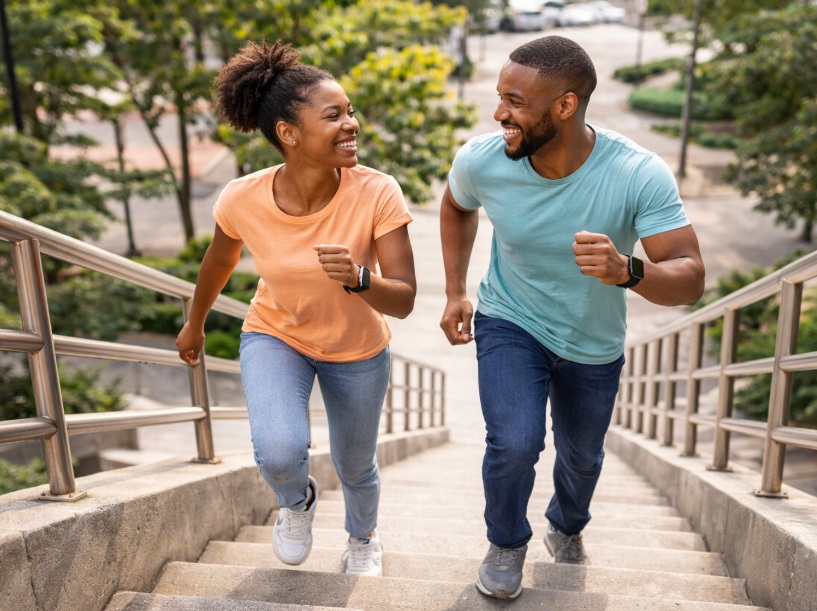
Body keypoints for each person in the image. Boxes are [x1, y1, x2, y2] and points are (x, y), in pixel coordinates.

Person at [439, 35, 705, 600]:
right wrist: (456, 290)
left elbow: (690, 278)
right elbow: (456, 206)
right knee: (514, 442)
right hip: (510, 320)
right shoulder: (482, 160)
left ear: (565, 105)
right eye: (499, 97)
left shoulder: (637, 173)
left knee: (582, 458)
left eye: (515, 102)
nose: (499, 113)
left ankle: (566, 525)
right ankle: (506, 543)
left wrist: (627, 270)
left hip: (592, 340)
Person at [176, 41, 416, 577]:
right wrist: (195, 323)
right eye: (333, 116)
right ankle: (296, 501)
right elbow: (219, 260)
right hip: (276, 334)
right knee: (279, 452)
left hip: (357, 349)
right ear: (289, 133)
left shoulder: (378, 191)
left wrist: (359, 278)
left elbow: (403, 299)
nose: (351, 124)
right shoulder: (241, 197)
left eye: (350, 111)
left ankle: (363, 539)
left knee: (355, 465)